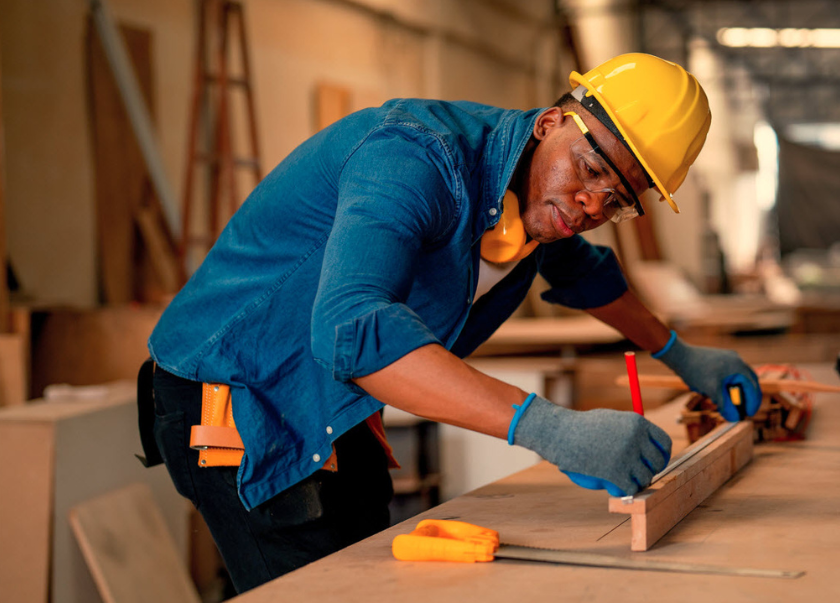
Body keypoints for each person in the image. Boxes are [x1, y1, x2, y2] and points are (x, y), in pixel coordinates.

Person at [138, 53, 763, 592]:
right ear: (552, 121)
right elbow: (354, 330)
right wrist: (546, 427)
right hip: (235, 394)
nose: (592, 204)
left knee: (373, 576)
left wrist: (679, 353)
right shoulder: (413, 157)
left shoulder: (537, 196)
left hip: (333, 400)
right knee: (316, 587)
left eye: (620, 201)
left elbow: (585, 273)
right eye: (593, 170)